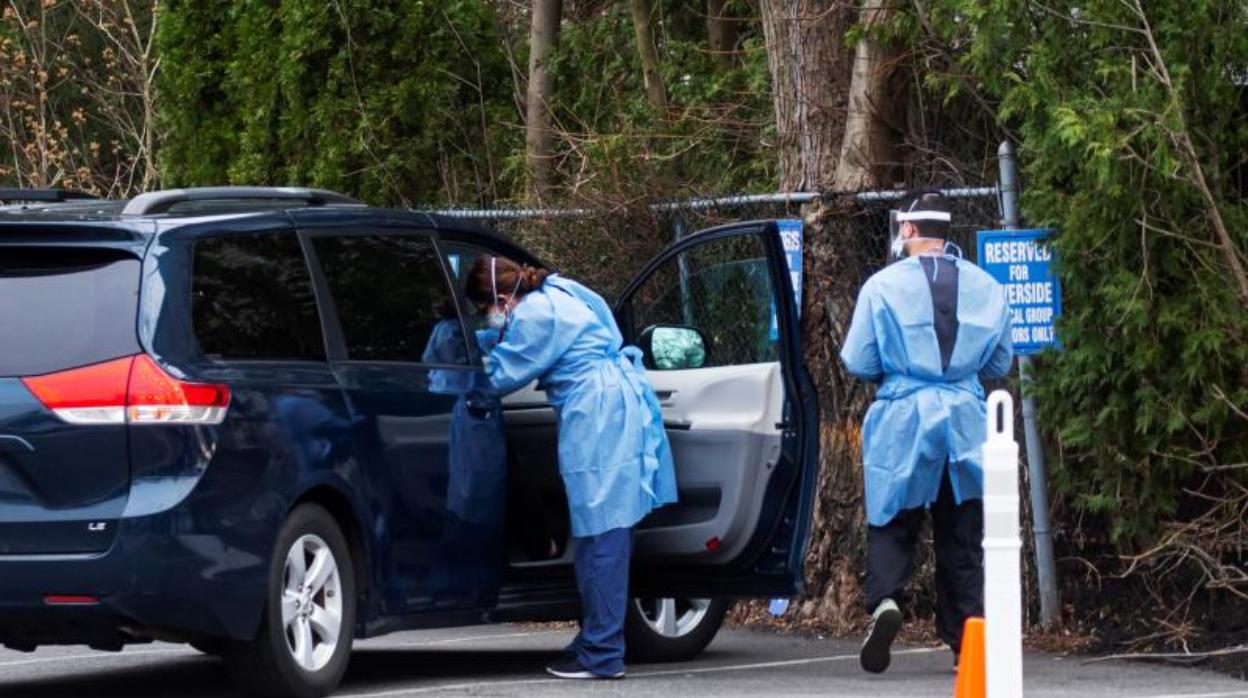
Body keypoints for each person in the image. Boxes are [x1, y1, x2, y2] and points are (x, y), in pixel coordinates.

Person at [466, 256, 678, 680]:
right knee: (601, 531)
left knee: (602, 533)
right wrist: (482, 339)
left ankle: (602, 653)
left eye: (483, 311)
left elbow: (498, 376)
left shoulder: (534, 316)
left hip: (597, 414)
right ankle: (596, 639)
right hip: (613, 403)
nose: (486, 319)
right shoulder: (560, 290)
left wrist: (449, 368)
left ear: (503, 299)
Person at [840, 189, 1014, 674]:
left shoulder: (880, 286)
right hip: (964, 417)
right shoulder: (987, 286)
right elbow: (1001, 360)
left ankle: (886, 602)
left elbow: (857, 358)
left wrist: (895, 376)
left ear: (910, 230)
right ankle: (968, 644)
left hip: (904, 416)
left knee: (892, 516)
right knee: (961, 533)